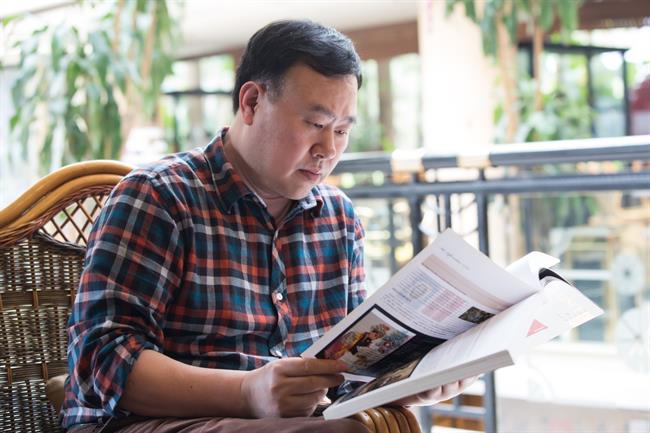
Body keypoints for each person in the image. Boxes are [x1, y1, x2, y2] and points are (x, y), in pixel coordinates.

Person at [61, 19, 475, 433]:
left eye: (342, 131)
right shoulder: (159, 197)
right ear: (252, 102)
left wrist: (403, 382)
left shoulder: (338, 219)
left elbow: (345, 375)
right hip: (152, 423)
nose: (328, 149)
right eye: (315, 124)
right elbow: (100, 362)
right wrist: (247, 392)